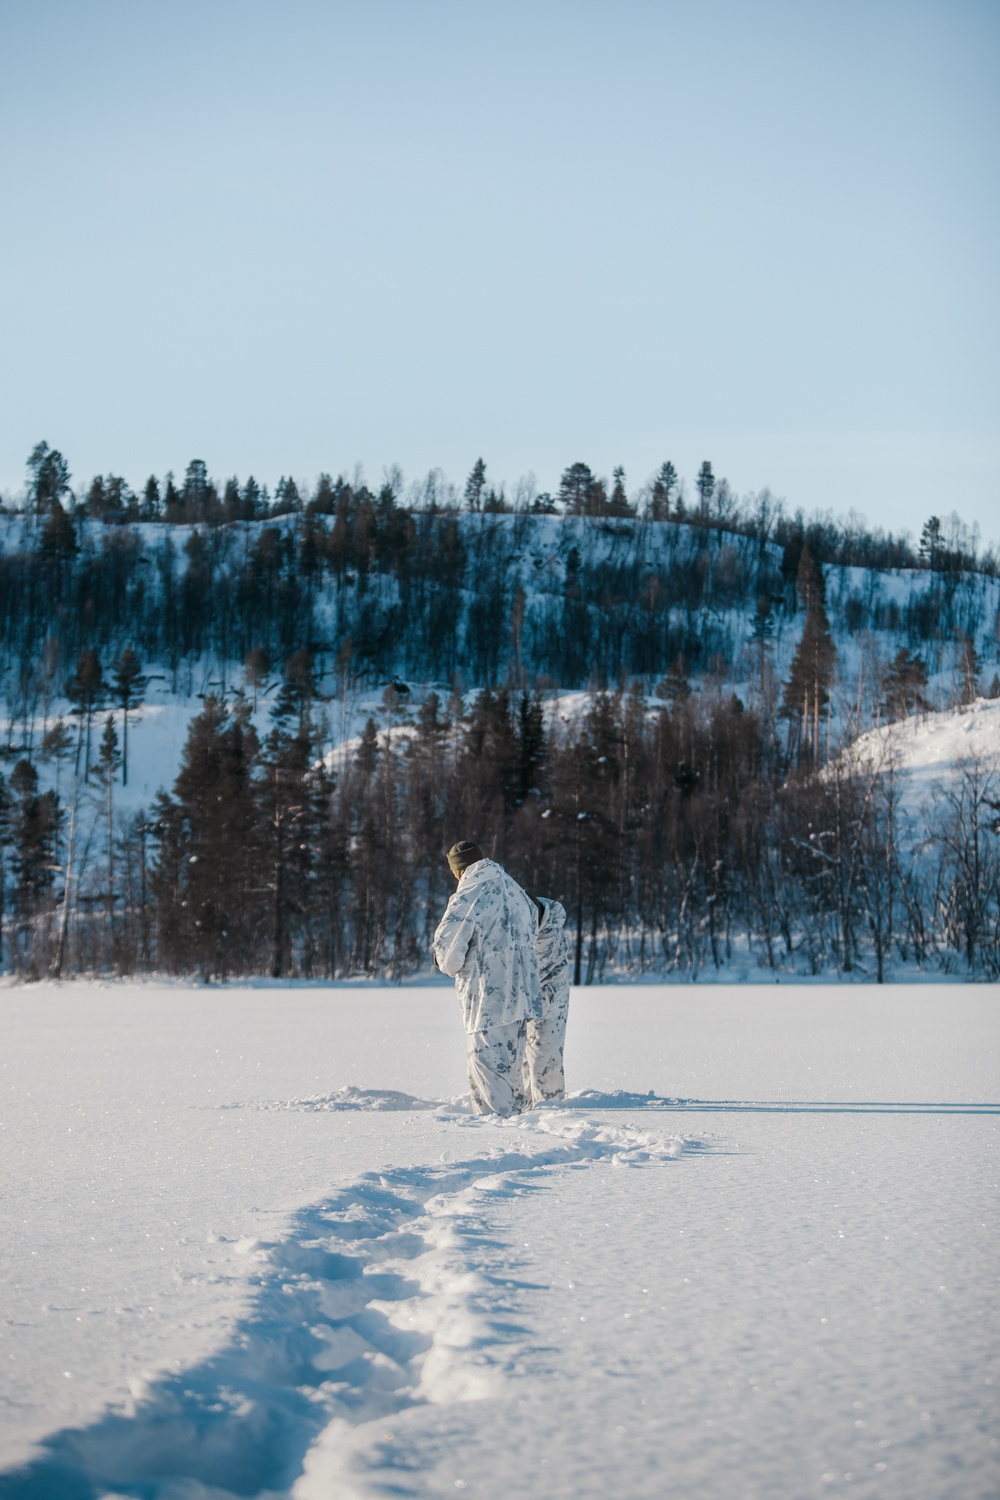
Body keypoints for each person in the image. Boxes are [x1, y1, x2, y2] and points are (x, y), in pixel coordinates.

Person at [433, 840, 542, 1117]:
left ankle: (498, 1145)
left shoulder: (469, 894)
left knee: (490, 1087)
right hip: (521, 998)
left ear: (459, 870)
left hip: (487, 1002)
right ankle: (519, 1134)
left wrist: (439, 959)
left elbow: (448, 956)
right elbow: (534, 925)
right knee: (513, 1077)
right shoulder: (515, 890)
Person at [524, 896, 571, 1104]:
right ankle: (530, 1103)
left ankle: (549, 1107)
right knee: (531, 1056)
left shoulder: (543, 934)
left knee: (544, 1057)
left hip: (548, 996)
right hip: (544, 994)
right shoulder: (547, 920)